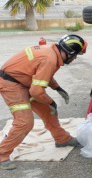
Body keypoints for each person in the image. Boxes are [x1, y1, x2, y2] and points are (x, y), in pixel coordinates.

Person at [0, 34, 87, 170]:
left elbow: (43, 74)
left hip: (24, 82)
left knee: (48, 111)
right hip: (11, 85)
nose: (75, 58)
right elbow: (36, 91)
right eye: (76, 55)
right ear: (70, 52)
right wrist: (51, 102)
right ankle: (2, 154)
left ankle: (62, 139)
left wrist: (57, 88)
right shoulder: (50, 59)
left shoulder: (51, 52)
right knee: (25, 123)